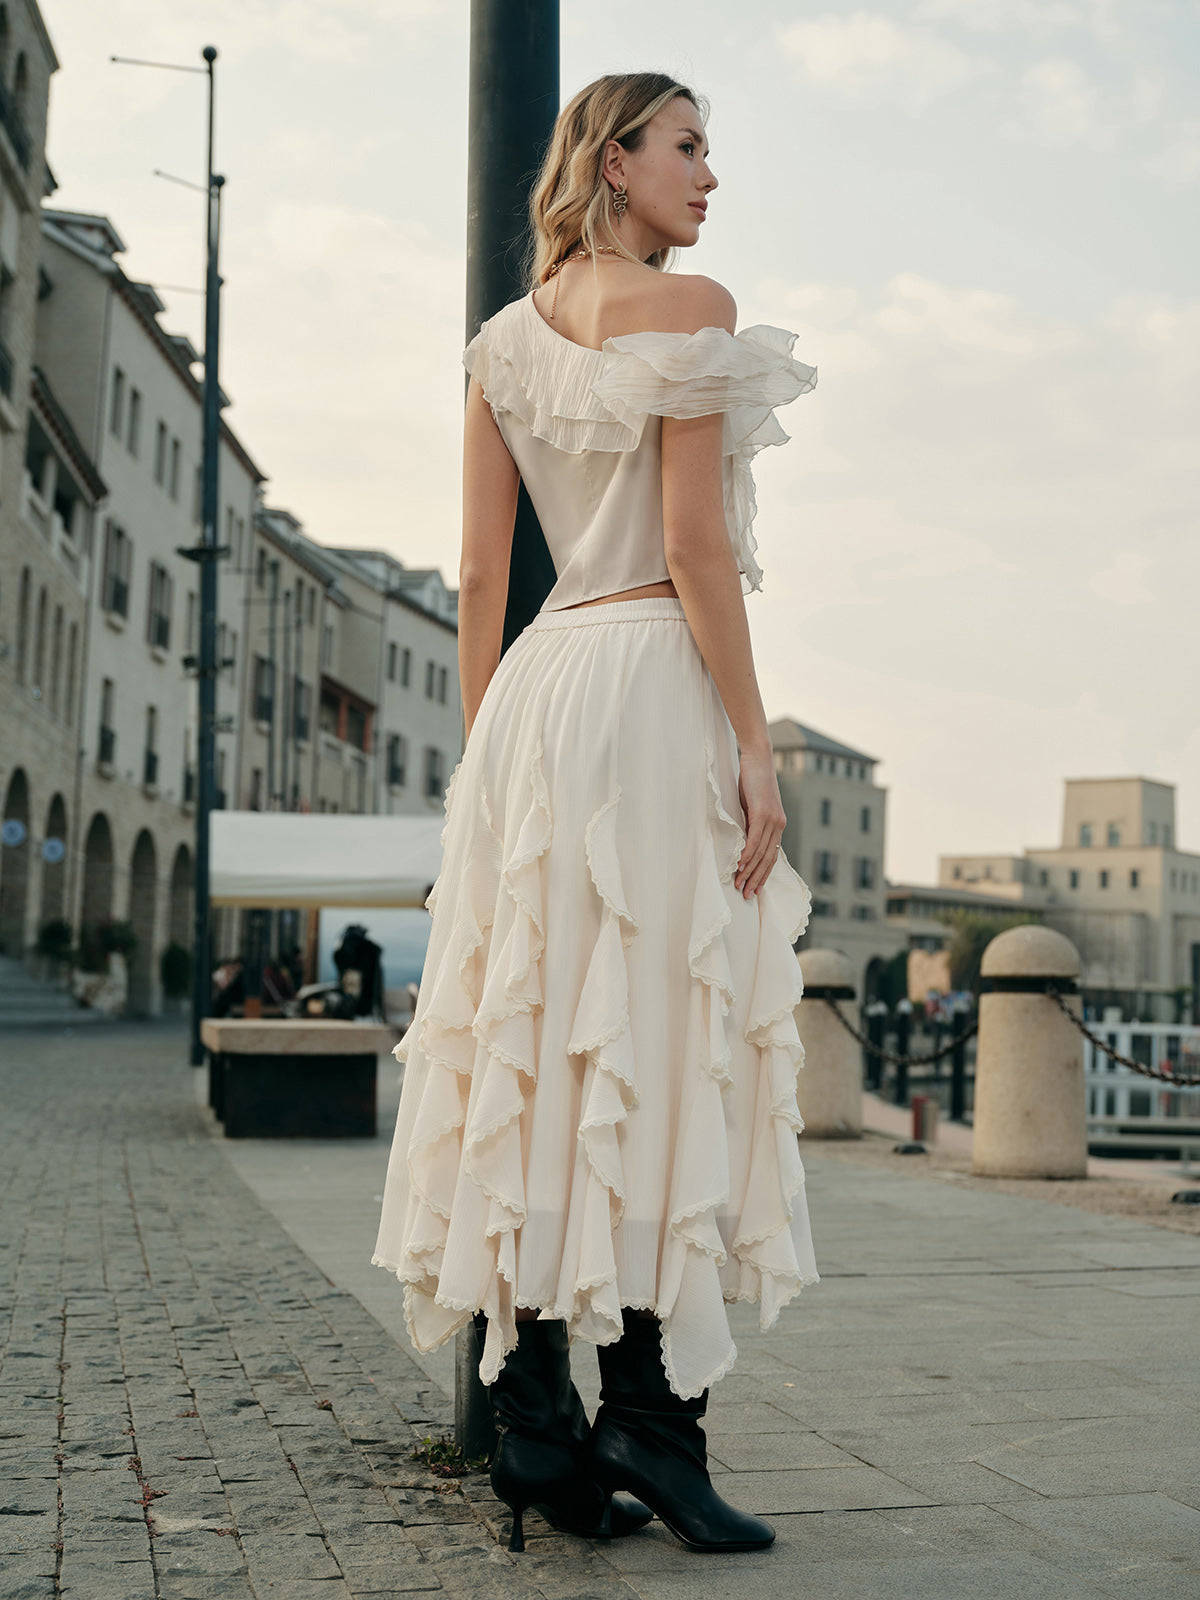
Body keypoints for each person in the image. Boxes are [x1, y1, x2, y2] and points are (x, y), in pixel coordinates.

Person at [373, 71, 820, 1555]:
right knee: (655, 1037)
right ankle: (649, 1422)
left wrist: (478, 754)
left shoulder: (502, 346)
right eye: (689, 147)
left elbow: (483, 580)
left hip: (533, 704)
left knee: (544, 1040)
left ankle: (538, 1426)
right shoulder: (692, 316)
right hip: (643, 685)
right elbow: (695, 552)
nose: (710, 176)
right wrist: (755, 743)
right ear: (616, 161)